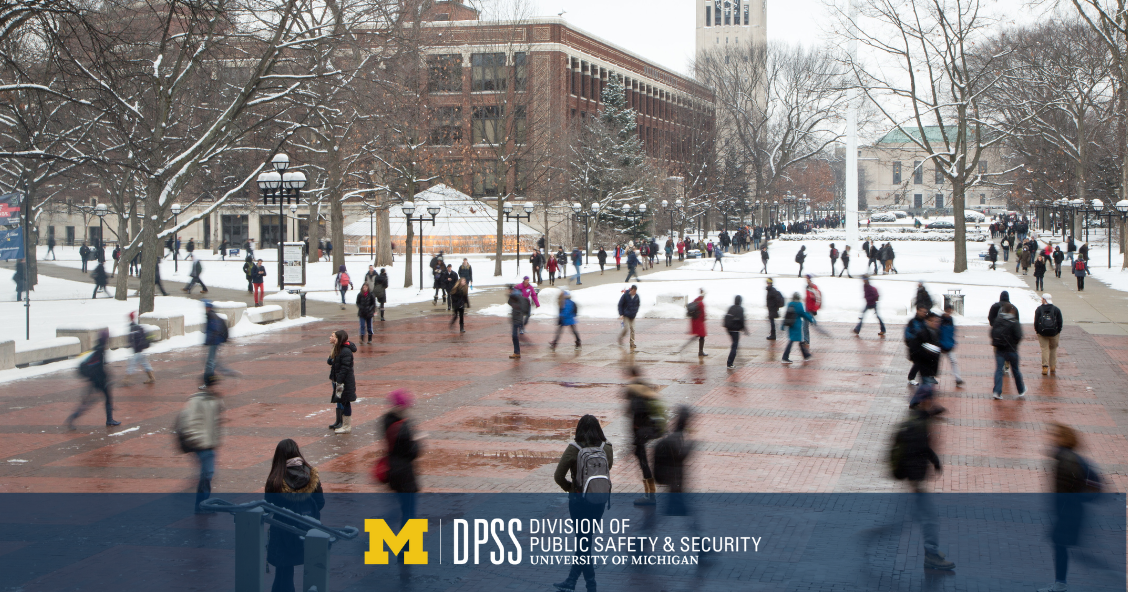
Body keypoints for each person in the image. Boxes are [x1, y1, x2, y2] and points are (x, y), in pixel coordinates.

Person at [889, 397, 956, 570]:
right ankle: (932, 556)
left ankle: (931, 553)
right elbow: (920, 450)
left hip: (914, 481)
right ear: (922, 402)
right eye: (929, 400)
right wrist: (921, 478)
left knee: (914, 519)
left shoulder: (917, 419)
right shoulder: (916, 428)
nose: (931, 403)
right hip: (915, 481)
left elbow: (924, 443)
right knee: (930, 519)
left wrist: (934, 461)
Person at [1038, 423, 1102, 592]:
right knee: (1062, 545)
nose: (1052, 438)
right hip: (1068, 512)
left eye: (1056, 436)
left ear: (1065, 439)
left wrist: (1075, 501)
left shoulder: (1068, 459)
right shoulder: (1066, 457)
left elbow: (1087, 485)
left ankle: (1062, 584)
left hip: (1069, 513)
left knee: (1064, 546)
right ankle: (1060, 583)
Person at [552, 414, 613, 592]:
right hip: (599, 500)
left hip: (578, 502)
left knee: (583, 544)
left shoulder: (574, 448)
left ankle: (591, 586)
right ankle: (571, 580)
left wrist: (571, 488)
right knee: (585, 542)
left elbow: (558, 476)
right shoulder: (606, 447)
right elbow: (606, 469)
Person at [265, 439, 325, 592]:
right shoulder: (311, 474)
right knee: (313, 569)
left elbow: (269, 505)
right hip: (308, 530)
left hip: (282, 532)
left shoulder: (276, 479)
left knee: (283, 572)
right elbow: (320, 502)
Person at [179, 374, 223, 513]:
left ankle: (202, 505)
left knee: (206, 474)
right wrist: (197, 439)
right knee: (207, 474)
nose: (217, 387)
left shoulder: (215, 400)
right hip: (202, 444)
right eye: (214, 384)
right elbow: (188, 422)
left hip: (210, 443)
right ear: (209, 385)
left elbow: (217, 421)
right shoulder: (197, 401)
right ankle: (202, 506)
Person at [382, 389, 421, 532]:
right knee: (409, 513)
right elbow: (413, 451)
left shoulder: (386, 420)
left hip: (391, 470)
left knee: (400, 508)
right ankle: (405, 550)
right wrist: (416, 440)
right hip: (405, 474)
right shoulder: (404, 427)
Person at [624, 366, 662, 506]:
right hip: (648, 433)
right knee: (644, 463)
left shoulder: (636, 394)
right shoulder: (645, 389)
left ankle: (650, 496)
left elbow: (636, 415)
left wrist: (635, 436)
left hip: (641, 435)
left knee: (644, 464)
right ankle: (650, 494)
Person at [66, 330, 119, 428]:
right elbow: (100, 367)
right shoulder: (100, 350)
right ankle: (109, 420)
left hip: (94, 380)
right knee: (98, 400)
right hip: (99, 381)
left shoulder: (98, 348)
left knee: (90, 401)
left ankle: (73, 417)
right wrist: (106, 379)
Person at [991, 302, 1027, 399]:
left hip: (1000, 350)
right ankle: (1021, 389)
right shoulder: (1014, 322)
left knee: (999, 370)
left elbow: (992, 333)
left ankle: (997, 391)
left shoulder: (998, 321)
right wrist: (1014, 344)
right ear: (1011, 310)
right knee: (1015, 370)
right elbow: (1018, 336)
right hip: (1012, 350)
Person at [327, 329, 357, 434]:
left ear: (339, 338)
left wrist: (339, 381)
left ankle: (346, 426)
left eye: (333, 336)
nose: (331, 338)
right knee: (341, 400)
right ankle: (342, 423)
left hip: (344, 382)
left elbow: (345, 368)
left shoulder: (345, 351)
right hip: (340, 381)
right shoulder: (339, 349)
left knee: (345, 401)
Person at [781, 293, 815, 364]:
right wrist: (811, 319)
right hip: (797, 325)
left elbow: (786, 315)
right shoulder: (799, 305)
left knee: (796, 340)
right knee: (794, 341)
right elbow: (803, 314)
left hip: (791, 325)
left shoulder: (790, 304)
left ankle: (806, 355)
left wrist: (783, 325)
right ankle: (785, 357)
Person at [1034, 293, 1063, 376]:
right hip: (1054, 333)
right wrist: (1058, 331)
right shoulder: (1056, 309)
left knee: (1044, 349)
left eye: (1042, 298)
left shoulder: (1039, 309)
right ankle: (1053, 367)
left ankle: (1045, 367)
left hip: (1042, 333)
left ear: (1044, 299)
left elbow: (1036, 322)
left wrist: (1037, 331)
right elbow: (1060, 322)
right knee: (1053, 349)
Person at [124, 312, 155, 385]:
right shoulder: (137, 327)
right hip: (140, 349)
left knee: (132, 364)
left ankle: (126, 379)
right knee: (145, 364)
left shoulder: (133, 328)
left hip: (138, 350)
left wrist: (131, 345)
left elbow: (133, 340)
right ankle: (151, 377)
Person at [678, 289, 708, 357]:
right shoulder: (701, 303)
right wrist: (704, 319)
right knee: (701, 336)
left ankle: (699, 351)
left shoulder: (696, 300)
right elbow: (703, 314)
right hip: (699, 322)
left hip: (694, 321)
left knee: (698, 336)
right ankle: (698, 351)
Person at [939, 305, 964, 387]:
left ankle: (958, 378)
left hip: (949, 344)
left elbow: (952, 332)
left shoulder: (951, 320)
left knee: (954, 361)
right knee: (936, 362)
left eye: (950, 311)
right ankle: (931, 376)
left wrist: (953, 342)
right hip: (942, 344)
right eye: (948, 311)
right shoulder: (941, 320)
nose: (949, 313)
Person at [723, 295, 749, 369]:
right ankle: (730, 363)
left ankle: (730, 362)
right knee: (734, 346)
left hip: (729, 329)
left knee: (734, 343)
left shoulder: (731, 307)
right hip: (735, 330)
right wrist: (744, 329)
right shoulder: (740, 309)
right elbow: (742, 320)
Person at [617, 284, 640, 351]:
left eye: (635, 291)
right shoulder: (625, 295)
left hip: (632, 315)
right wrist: (621, 314)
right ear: (631, 290)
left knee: (633, 329)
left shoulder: (637, 296)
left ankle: (632, 343)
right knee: (626, 328)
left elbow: (638, 304)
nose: (634, 292)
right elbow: (620, 305)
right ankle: (621, 337)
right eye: (633, 291)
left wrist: (635, 312)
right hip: (626, 315)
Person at [508, 285, 527, 359]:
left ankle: (517, 352)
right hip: (516, 319)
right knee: (515, 336)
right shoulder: (514, 297)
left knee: (515, 336)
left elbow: (520, 309)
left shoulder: (517, 298)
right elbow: (509, 302)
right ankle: (517, 352)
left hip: (517, 319)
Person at [803, 275, 821, 344]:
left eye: (806, 279)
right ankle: (806, 340)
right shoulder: (807, 287)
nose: (805, 280)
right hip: (807, 308)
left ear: (809, 279)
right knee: (805, 325)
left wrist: (815, 309)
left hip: (811, 309)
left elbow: (818, 298)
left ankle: (822, 332)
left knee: (812, 325)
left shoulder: (813, 287)